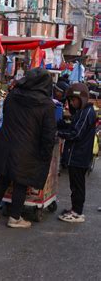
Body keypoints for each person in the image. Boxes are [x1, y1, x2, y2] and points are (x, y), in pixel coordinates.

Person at [0, 68, 56, 228]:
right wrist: (46, 153)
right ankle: (15, 217)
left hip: (6, 142)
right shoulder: (46, 105)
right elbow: (48, 133)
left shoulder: (13, 95)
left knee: (2, 178)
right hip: (27, 148)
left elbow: (7, 114)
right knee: (20, 182)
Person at [57, 83, 96, 223]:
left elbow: (76, 134)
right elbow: (74, 127)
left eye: (74, 100)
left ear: (82, 98)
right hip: (78, 156)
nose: (72, 103)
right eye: (71, 100)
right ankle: (75, 209)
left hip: (79, 156)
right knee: (75, 185)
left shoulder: (86, 112)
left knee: (77, 186)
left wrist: (59, 133)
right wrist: (63, 126)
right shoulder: (83, 112)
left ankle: (77, 212)